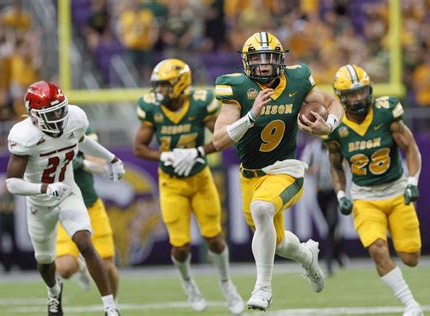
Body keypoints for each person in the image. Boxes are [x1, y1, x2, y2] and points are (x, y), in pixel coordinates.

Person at [212, 31, 344, 311]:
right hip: (251, 176)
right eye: (257, 59)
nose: (263, 65)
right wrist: (251, 116)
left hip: (286, 169)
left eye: (269, 58)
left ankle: (263, 288)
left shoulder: (297, 80)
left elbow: (333, 103)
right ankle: (308, 256)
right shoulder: (235, 88)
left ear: (280, 61)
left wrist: (328, 126)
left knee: (262, 209)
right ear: (247, 63)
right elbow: (218, 140)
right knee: (280, 242)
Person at [133, 58, 244, 315]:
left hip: (200, 179)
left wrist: (197, 152)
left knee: (215, 239)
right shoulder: (151, 108)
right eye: (157, 86)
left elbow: (220, 138)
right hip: (171, 183)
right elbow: (139, 148)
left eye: (165, 85)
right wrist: (165, 156)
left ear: (180, 83)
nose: (159, 91)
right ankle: (188, 284)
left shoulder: (199, 103)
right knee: (180, 246)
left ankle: (227, 284)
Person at [5, 81, 124, 316]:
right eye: (52, 113)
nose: (59, 117)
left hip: (69, 192)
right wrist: (44, 189)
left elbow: (81, 140)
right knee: (45, 261)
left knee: (84, 242)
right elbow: (12, 183)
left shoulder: (75, 119)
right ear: (35, 115)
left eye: (61, 110)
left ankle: (110, 307)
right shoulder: (25, 136)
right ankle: (53, 293)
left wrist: (112, 159)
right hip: (40, 203)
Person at [326, 64, 423, 316]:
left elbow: (411, 148)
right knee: (377, 249)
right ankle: (411, 305)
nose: (358, 98)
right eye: (351, 94)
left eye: (361, 92)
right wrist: (341, 194)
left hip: (397, 189)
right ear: (341, 97)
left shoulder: (386, 112)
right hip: (364, 197)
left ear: (369, 90)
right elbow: (335, 166)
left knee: (411, 257)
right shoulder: (336, 128)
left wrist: (412, 182)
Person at [55, 127, 119, 298]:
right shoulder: (36, 134)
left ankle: (114, 304)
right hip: (65, 208)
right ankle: (83, 268)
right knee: (65, 268)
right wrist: (77, 162)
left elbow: (100, 166)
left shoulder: (77, 125)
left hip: (90, 205)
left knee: (106, 265)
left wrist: (77, 161)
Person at [301, 137, 348, 276]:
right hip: (321, 193)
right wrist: (311, 169)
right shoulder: (312, 147)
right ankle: (338, 255)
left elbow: (346, 163)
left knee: (332, 224)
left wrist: (341, 165)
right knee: (330, 226)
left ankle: (328, 263)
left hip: (335, 192)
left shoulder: (336, 145)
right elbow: (303, 166)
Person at [0, 182, 19, 272]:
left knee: (14, 243)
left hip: (11, 223)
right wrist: (6, 207)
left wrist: (4, 207)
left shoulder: (11, 196)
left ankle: (14, 264)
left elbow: (13, 208)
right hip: (2, 223)